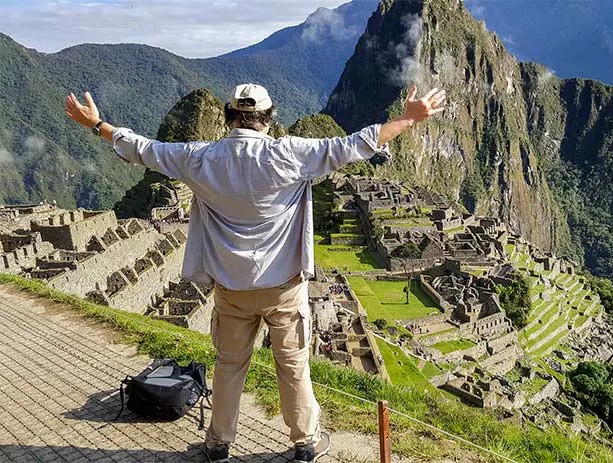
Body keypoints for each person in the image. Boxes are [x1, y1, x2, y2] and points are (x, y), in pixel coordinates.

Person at [64, 83, 447, 463]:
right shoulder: (290, 153)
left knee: (229, 365)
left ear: (229, 116)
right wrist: (408, 119)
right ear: (268, 118)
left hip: (231, 290)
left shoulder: (200, 158)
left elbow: (143, 149)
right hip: (283, 288)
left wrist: (97, 125)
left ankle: (218, 443)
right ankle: (304, 442)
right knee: (293, 365)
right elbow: (354, 145)